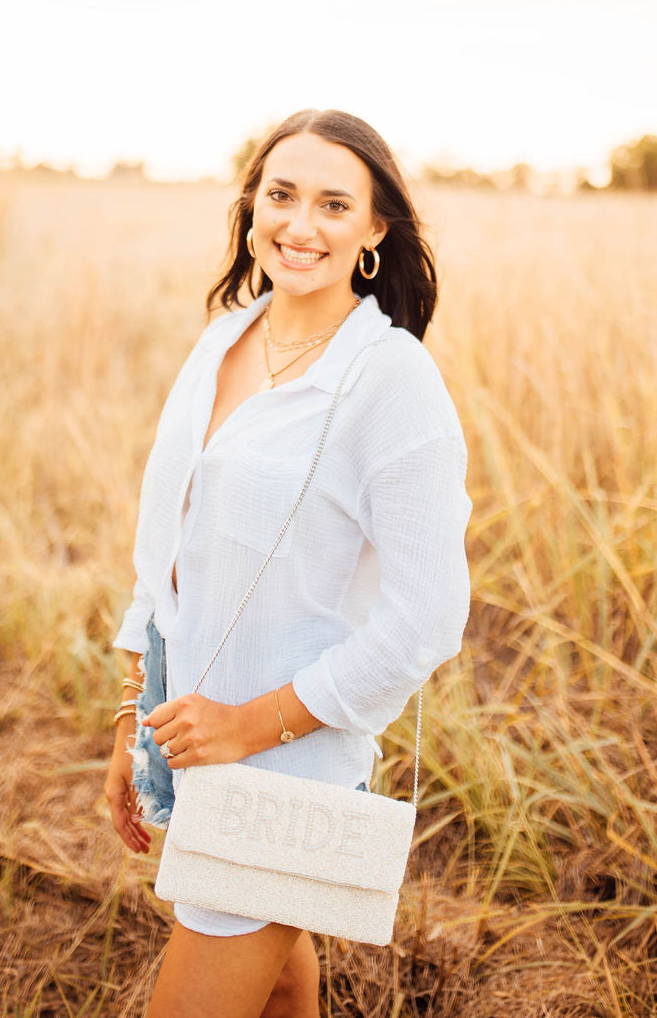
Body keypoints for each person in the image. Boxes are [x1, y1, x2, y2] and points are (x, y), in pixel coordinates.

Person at [104, 108, 472, 1018]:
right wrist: (132, 714)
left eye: (334, 204)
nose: (300, 226)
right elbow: (170, 550)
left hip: (288, 767)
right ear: (252, 205)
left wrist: (250, 726)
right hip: (189, 740)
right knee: (278, 993)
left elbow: (427, 615)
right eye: (282, 195)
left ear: (375, 230)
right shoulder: (224, 339)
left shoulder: (391, 381)